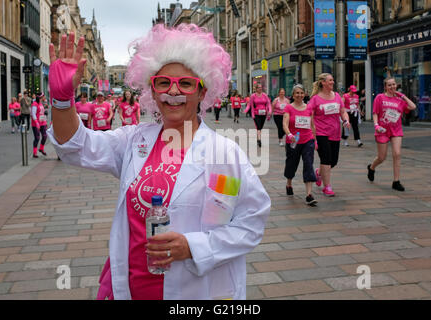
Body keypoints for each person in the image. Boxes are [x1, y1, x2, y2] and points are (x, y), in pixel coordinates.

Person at [46, 25, 270, 300]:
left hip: (197, 292)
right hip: (134, 287)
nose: (173, 92)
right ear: (152, 91)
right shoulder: (134, 141)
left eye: (186, 84)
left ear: (202, 92)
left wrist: (193, 247)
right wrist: (60, 100)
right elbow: (75, 146)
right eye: (163, 82)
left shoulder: (224, 154)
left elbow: (251, 221)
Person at [367, 77, 416, 191]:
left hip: (396, 130)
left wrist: (402, 96)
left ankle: (396, 181)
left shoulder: (400, 100)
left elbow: (413, 106)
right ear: (385, 87)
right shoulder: (380, 97)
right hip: (382, 130)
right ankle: (372, 167)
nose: (392, 87)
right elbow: (375, 113)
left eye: (393, 84)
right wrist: (376, 125)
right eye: (389, 85)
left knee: (397, 154)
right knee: (382, 157)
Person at [309, 73, 350, 197]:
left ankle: (319, 172)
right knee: (326, 159)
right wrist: (313, 135)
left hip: (335, 133)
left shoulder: (337, 96)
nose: (333, 82)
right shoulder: (315, 99)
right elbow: (309, 117)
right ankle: (327, 187)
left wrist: (345, 120)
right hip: (321, 133)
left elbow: (342, 111)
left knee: (333, 161)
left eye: (333, 80)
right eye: (330, 80)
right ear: (323, 83)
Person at [283, 84, 317, 206]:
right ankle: (289, 183)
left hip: (308, 140)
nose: (299, 95)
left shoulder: (308, 108)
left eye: (301, 93)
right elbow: (285, 124)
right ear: (293, 95)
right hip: (293, 141)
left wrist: (315, 140)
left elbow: (312, 125)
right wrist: (289, 134)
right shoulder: (288, 108)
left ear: (304, 94)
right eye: (297, 93)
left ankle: (309, 194)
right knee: (292, 163)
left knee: (308, 163)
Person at [31, 93, 48, 157]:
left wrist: (45, 122)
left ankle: (41, 148)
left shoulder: (41, 103)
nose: (45, 98)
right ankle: (34, 152)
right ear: (41, 97)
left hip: (42, 122)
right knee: (37, 138)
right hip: (36, 124)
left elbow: (42, 113)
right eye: (43, 96)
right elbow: (33, 114)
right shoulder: (34, 104)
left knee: (45, 136)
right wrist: (36, 122)